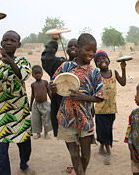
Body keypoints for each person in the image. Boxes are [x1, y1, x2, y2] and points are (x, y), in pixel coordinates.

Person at [50, 33, 104, 175]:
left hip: (85, 118)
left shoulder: (94, 72)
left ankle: (81, 172)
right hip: (66, 118)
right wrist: (53, 88)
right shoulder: (65, 66)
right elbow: (54, 82)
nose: (91, 54)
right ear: (78, 49)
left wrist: (82, 97)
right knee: (74, 153)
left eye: (94, 50)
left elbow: (99, 97)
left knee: (85, 154)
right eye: (88, 50)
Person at [0, 30, 35, 175]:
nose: (8, 42)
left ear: (19, 44)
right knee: (2, 149)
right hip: (0, 110)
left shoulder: (22, 61)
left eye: (13, 40)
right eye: (6, 40)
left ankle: (24, 164)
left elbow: (22, 76)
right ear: (1, 43)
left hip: (19, 110)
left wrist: (9, 61)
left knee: (25, 144)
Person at [41, 34, 78, 137]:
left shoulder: (84, 67)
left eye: (76, 46)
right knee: (66, 134)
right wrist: (53, 41)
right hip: (61, 104)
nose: (73, 48)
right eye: (70, 46)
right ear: (66, 49)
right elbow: (47, 60)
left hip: (79, 105)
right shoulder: (60, 64)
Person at [94, 50, 126, 165]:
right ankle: (108, 152)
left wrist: (123, 69)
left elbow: (123, 83)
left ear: (108, 60)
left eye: (103, 58)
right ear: (96, 64)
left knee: (107, 130)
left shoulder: (114, 73)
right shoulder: (96, 75)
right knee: (103, 130)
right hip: (100, 109)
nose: (102, 61)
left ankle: (102, 146)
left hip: (111, 109)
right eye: (98, 60)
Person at [30, 65, 52, 139]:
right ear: (32, 75)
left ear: (42, 74)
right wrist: (30, 106)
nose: (38, 75)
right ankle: (38, 133)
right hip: (36, 105)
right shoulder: (33, 85)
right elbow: (32, 95)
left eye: (39, 73)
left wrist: (53, 102)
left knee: (46, 119)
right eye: (35, 73)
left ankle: (46, 133)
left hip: (45, 104)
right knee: (36, 120)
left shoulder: (45, 82)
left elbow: (49, 93)